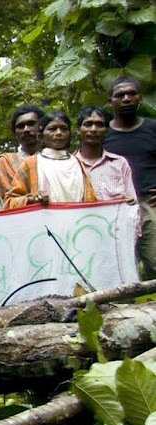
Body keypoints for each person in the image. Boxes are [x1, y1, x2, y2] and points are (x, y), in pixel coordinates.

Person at [103, 76, 156, 279]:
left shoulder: (152, 128)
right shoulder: (102, 133)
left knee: (154, 261)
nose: (126, 98)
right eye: (120, 95)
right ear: (110, 101)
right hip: (116, 208)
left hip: (149, 204)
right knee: (121, 267)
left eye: (131, 93)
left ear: (139, 98)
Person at [4, 110, 96, 209]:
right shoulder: (32, 163)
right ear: (40, 136)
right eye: (52, 129)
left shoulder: (78, 163)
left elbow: (90, 201)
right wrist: (31, 199)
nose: (59, 133)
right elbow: (10, 201)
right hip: (44, 223)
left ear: (70, 135)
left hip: (77, 221)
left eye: (64, 129)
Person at [75, 107, 136, 203]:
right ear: (78, 130)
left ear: (106, 131)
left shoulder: (119, 163)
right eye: (88, 124)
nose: (94, 129)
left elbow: (133, 203)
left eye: (99, 125)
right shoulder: (69, 165)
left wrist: (125, 200)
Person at [0, 104, 44, 206]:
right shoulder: (5, 162)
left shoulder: (53, 161)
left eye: (31, 124)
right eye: (20, 126)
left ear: (42, 128)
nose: (26, 129)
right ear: (15, 133)